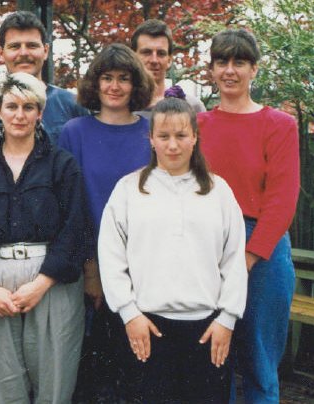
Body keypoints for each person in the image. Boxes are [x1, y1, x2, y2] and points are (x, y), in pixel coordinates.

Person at [98, 96, 248, 402]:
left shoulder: (218, 191)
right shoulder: (129, 189)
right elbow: (111, 257)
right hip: (148, 326)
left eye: (181, 136)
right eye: (164, 136)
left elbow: (234, 259)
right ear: (151, 139)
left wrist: (227, 319)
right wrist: (129, 314)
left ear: (195, 137)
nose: (173, 145)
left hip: (208, 329)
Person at [0, 72, 87, 404]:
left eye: (29, 107)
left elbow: (74, 228)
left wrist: (42, 283)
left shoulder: (62, 165)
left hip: (52, 281)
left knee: (55, 383)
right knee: (4, 387)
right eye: (12, 106)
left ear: (40, 113)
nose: (20, 115)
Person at [198, 29, 300, 403]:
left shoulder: (279, 125)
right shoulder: (199, 126)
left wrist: (245, 259)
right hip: (206, 243)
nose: (230, 70)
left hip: (264, 248)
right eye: (222, 62)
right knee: (212, 358)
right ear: (211, 70)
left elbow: (282, 200)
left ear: (253, 69)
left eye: (239, 62)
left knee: (259, 363)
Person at [57, 42, 154, 401]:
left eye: (124, 79)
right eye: (107, 78)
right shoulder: (75, 131)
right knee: (93, 373)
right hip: (91, 266)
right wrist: (91, 269)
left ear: (136, 84)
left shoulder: (150, 131)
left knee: (138, 368)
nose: (115, 86)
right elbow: (70, 205)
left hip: (143, 268)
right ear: (95, 84)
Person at [0, 11, 88, 173]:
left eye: (32, 45)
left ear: (45, 51)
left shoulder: (73, 106)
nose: (24, 53)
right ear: (1, 53)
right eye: (14, 46)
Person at [130, 19, 206, 117]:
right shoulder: (122, 107)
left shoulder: (192, 107)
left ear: (169, 60)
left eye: (161, 53)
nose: (154, 60)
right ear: (134, 56)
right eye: (147, 52)